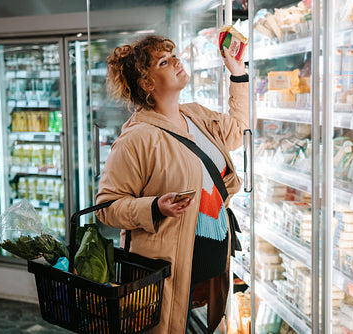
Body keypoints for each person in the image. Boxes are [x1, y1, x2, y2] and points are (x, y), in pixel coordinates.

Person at [95, 34, 248, 333]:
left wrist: (238, 73)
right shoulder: (136, 139)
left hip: (210, 270)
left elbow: (238, 132)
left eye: (172, 55)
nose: (176, 61)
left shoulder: (196, 115)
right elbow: (107, 207)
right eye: (163, 62)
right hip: (169, 274)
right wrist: (154, 206)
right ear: (148, 84)